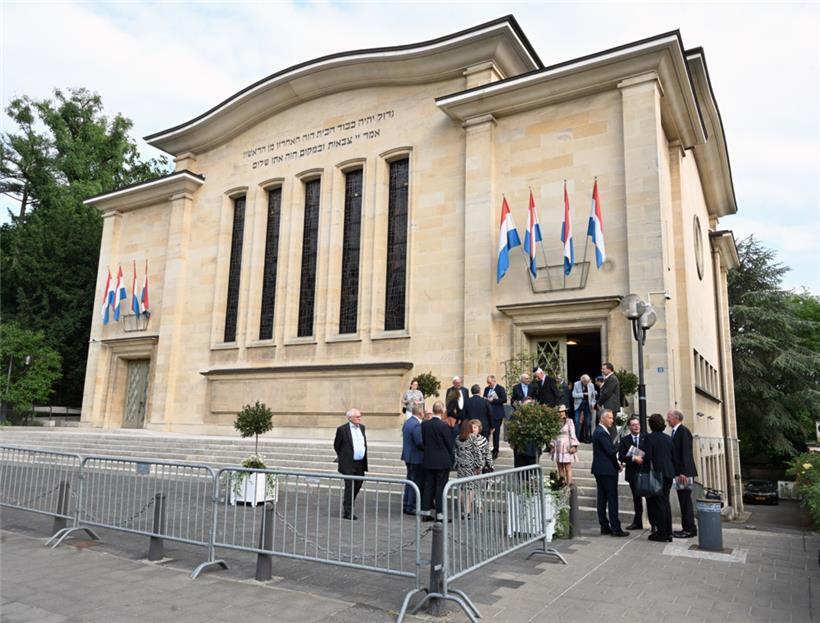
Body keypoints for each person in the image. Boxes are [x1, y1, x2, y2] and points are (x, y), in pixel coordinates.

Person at [637, 413, 675, 542]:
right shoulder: (668, 438)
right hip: (668, 473)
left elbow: (647, 457)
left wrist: (638, 458)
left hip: (657, 474)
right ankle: (669, 532)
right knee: (665, 503)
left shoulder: (649, 438)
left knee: (659, 504)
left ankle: (662, 533)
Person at [591, 409, 629, 537]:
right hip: (606, 470)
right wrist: (620, 445)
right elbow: (610, 451)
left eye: (612, 418)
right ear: (602, 418)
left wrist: (616, 464)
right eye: (610, 418)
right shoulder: (601, 432)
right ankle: (615, 528)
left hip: (602, 469)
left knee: (602, 498)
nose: (612, 420)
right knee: (611, 499)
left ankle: (605, 526)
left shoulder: (600, 431)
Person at [421, 401, 455, 522]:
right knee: (440, 487)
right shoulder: (443, 426)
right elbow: (449, 444)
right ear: (442, 411)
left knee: (428, 486)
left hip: (429, 459)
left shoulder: (425, 425)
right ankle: (440, 514)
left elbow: (424, 441)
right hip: (442, 460)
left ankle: (425, 512)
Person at [668, 409, 698, 538]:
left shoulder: (683, 431)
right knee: (683, 500)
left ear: (676, 418)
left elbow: (686, 453)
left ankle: (689, 529)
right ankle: (686, 527)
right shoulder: (675, 431)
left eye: (669, 417)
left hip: (683, 474)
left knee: (685, 502)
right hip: (680, 473)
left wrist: (683, 472)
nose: (667, 420)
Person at [333, 408, 368, 520]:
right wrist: (344, 457)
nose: (359, 418)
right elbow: (337, 445)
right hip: (348, 463)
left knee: (358, 484)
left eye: (360, 416)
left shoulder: (362, 428)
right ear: (350, 418)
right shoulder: (342, 429)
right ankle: (347, 511)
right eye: (357, 416)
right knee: (350, 486)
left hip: (360, 463)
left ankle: (349, 503)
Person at [617, 417, 647, 530]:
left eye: (638, 424)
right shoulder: (625, 440)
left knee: (650, 498)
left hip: (645, 472)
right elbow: (621, 457)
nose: (636, 426)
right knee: (636, 498)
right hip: (633, 473)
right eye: (633, 425)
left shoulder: (646, 438)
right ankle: (637, 522)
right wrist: (634, 458)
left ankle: (654, 523)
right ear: (629, 427)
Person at [400, 404, 425, 515]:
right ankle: (411, 505)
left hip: (408, 456)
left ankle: (406, 504)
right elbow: (419, 442)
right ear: (420, 413)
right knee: (415, 481)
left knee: (410, 481)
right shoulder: (416, 425)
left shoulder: (408, 422)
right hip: (416, 457)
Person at [551, 404, 579, 486]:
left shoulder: (569, 421)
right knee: (560, 466)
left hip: (566, 444)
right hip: (557, 444)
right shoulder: (555, 422)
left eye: (562, 411)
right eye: (559, 412)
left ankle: (569, 485)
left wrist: (574, 446)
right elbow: (553, 434)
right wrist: (552, 444)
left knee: (567, 466)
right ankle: (562, 484)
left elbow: (572, 434)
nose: (561, 413)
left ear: (565, 412)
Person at [483, 375, 508, 460]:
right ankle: (485, 449)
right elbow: (484, 397)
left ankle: (495, 450)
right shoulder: (487, 389)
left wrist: (493, 400)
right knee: (487, 432)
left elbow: (504, 399)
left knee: (496, 433)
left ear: (494, 381)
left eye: (490, 382)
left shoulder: (500, 388)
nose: (489, 384)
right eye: (488, 383)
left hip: (497, 414)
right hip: (488, 414)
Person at [510, 397, 540, 467]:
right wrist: (512, 441)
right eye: (526, 405)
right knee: (520, 469)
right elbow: (510, 428)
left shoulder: (537, 416)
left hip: (532, 448)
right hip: (520, 448)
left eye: (530, 405)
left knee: (532, 470)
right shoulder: (516, 415)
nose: (528, 407)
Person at [597, 363, 620, 439]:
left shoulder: (612, 378)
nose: (602, 370)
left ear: (609, 369)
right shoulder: (609, 378)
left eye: (604, 369)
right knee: (608, 426)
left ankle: (614, 444)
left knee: (611, 426)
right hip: (609, 405)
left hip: (611, 406)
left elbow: (607, 393)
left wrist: (599, 403)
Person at [572, 374, 597, 443]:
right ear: (582, 380)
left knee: (587, 422)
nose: (587, 383)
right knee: (577, 422)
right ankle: (576, 439)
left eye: (588, 381)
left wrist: (592, 404)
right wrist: (583, 394)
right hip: (578, 404)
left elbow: (593, 397)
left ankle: (587, 439)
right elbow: (573, 395)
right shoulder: (576, 384)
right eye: (586, 381)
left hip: (587, 404)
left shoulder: (591, 385)